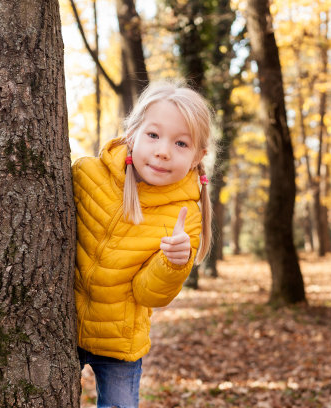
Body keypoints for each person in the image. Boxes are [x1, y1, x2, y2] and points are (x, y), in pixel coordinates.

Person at [72, 81, 214, 408]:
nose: (163, 150)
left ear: (198, 157)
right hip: (61, 330)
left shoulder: (185, 217)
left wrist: (173, 264)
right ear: (132, 133)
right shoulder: (86, 175)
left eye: (181, 143)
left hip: (120, 342)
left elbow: (148, 294)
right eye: (153, 135)